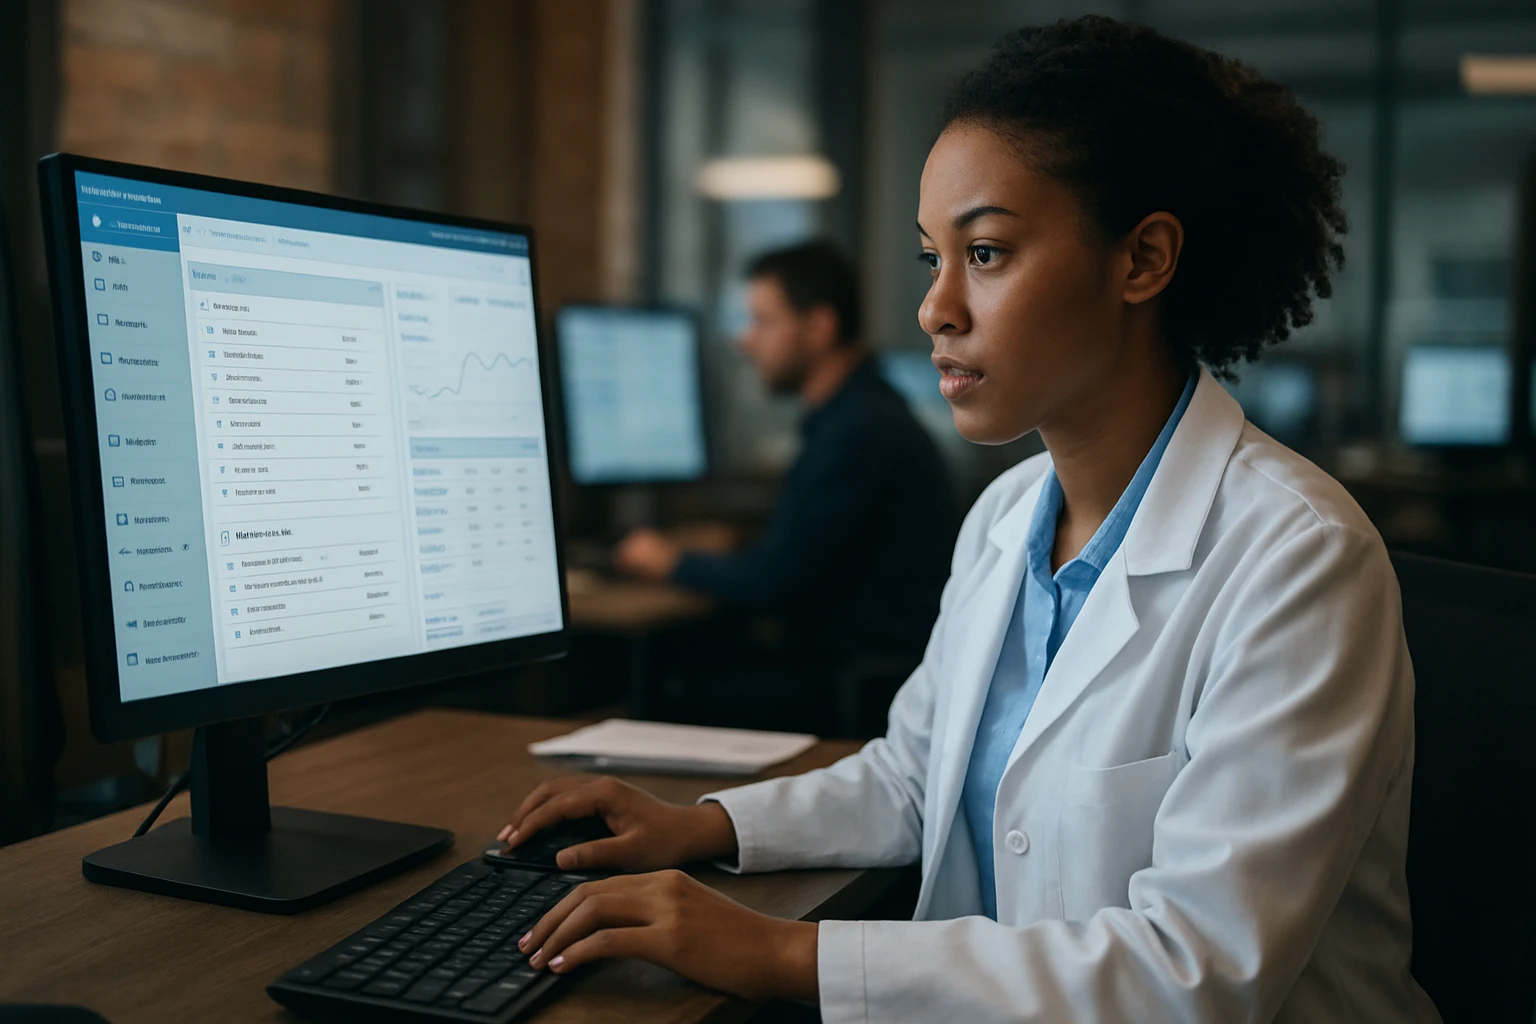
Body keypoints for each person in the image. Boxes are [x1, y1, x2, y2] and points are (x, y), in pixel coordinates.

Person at [494, 17, 1439, 1022]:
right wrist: (703, 823)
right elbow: (913, 777)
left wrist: (784, 955)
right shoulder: (1001, 518)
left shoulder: (1298, 557)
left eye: (985, 252)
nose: (935, 308)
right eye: (929, 257)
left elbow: (1190, 971)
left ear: (1143, 259)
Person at [613, 241, 955, 729]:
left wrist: (670, 560)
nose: (744, 340)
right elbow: (811, 549)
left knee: (668, 676)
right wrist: (728, 546)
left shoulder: (857, 430)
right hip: (866, 667)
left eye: (763, 321)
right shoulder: (862, 411)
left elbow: (778, 581)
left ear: (818, 327)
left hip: (855, 683)